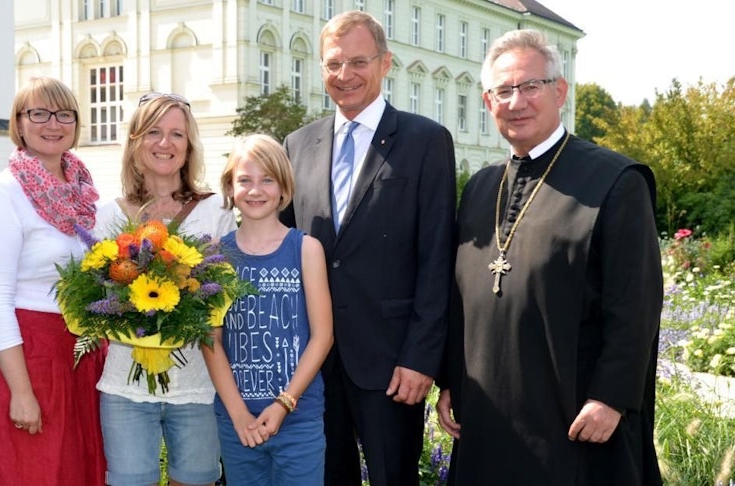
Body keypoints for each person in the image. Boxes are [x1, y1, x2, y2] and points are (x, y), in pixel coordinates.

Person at [435, 29, 663, 485]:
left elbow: (636, 303)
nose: (515, 101)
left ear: (559, 91)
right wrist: (449, 380)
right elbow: (462, 295)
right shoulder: (480, 186)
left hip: (573, 419)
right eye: (503, 91)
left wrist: (611, 397)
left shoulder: (615, 181)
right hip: (486, 415)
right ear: (487, 102)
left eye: (529, 86)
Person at [279, 10, 456, 486]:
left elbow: (437, 256)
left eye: (359, 62)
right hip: (314, 365)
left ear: (385, 63)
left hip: (392, 362)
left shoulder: (425, 141)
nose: (345, 75)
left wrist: (422, 358)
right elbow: (281, 245)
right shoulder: (297, 145)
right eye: (333, 64)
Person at [0, 77, 105, 485]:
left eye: (64, 114)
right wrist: (21, 392)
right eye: (38, 113)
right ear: (19, 123)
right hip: (22, 359)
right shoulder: (3, 193)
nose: (52, 124)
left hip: (75, 355)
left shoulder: (83, 193)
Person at [95, 92, 235, 486]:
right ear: (136, 142)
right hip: (126, 388)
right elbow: (91, 297)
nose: (165, 143)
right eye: (154, 131)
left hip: (198, 387)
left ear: (189, 145)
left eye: (177, 134)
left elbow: (226, 297)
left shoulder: (216, 212)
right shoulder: (108, 214)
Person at [202, 134, 334, 485]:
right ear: (230, 187)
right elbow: (210, 339)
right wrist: (238, 413)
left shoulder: (306, 250)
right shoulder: (216, 256)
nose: (255, 190)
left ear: (283, 187)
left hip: (298, 418)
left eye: (267, 179)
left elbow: (322, 337)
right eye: (244, 180)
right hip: (237, 421)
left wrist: (284, 404)